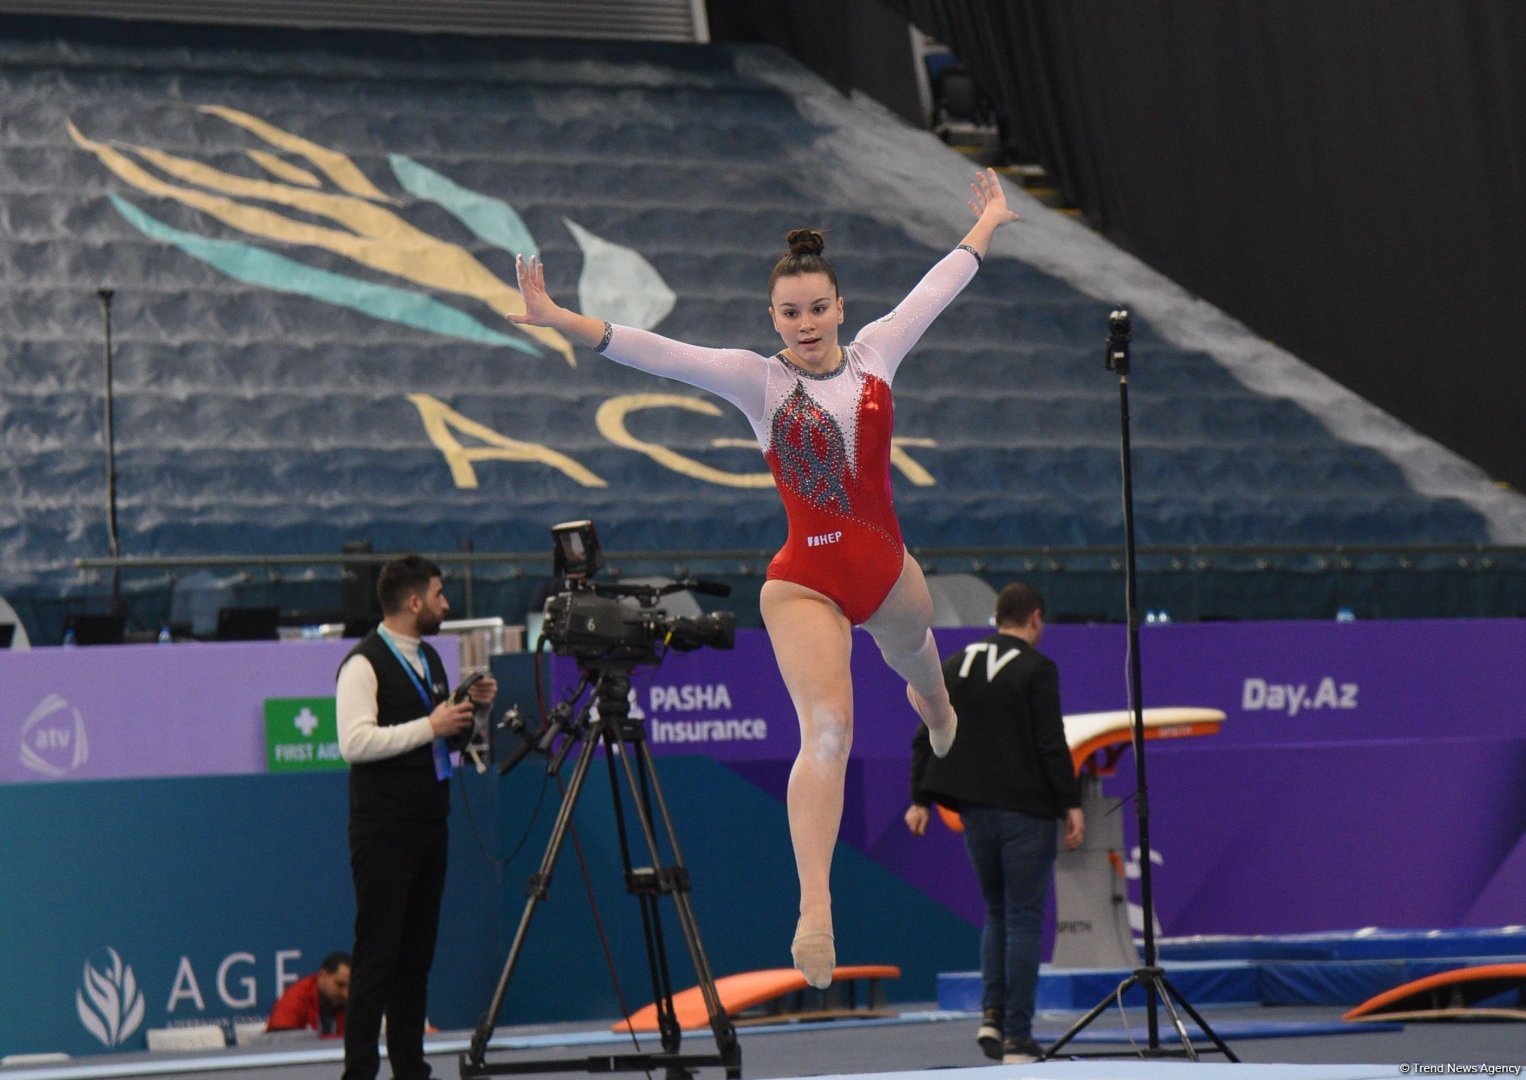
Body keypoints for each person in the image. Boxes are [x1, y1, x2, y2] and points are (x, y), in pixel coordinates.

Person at [508, 169, 1021, 987]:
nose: (807, 323)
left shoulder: (878, 352)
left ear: (840, 308)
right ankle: (815, 907)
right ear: (772, 319)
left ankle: (938, 711)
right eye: (790, 312)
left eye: (819, 308)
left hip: (887, 570)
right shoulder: (759, 380)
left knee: (918, 657)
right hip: (805, 580)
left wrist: (990, 218)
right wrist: (560, 317)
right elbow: (658, 353)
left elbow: (942, 282)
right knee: (829, 730)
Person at [904, 582, 1084, 1065]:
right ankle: (1017, 1037)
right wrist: (1072, 803)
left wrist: (920, 798)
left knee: (998, 914)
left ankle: (992, 1014)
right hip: (1026, 814)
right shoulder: (1037, 669)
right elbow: (1051, 743)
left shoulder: (956, 665)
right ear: (1036, 618)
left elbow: (928, 731)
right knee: (1023, 919)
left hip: (976, 815)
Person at [336, 554, 497, 1080]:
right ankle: (359, 1071)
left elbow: (442, 742)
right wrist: (431, 724)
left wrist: (471, 712)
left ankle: (410, 1067)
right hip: (382, 829)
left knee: (416, 958)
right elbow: (355, 743)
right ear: (413, 602)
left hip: (430, 822)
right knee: (378, 955)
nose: (445, 603)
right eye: (438, 594)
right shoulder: (362, 663)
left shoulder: (429, 658)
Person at [265, 951, 351, 1037]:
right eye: (340, 984)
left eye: (350, 987)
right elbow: (279, 1043)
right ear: (323, 975)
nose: (346, 994)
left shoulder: (352, 999)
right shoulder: (296, 998)